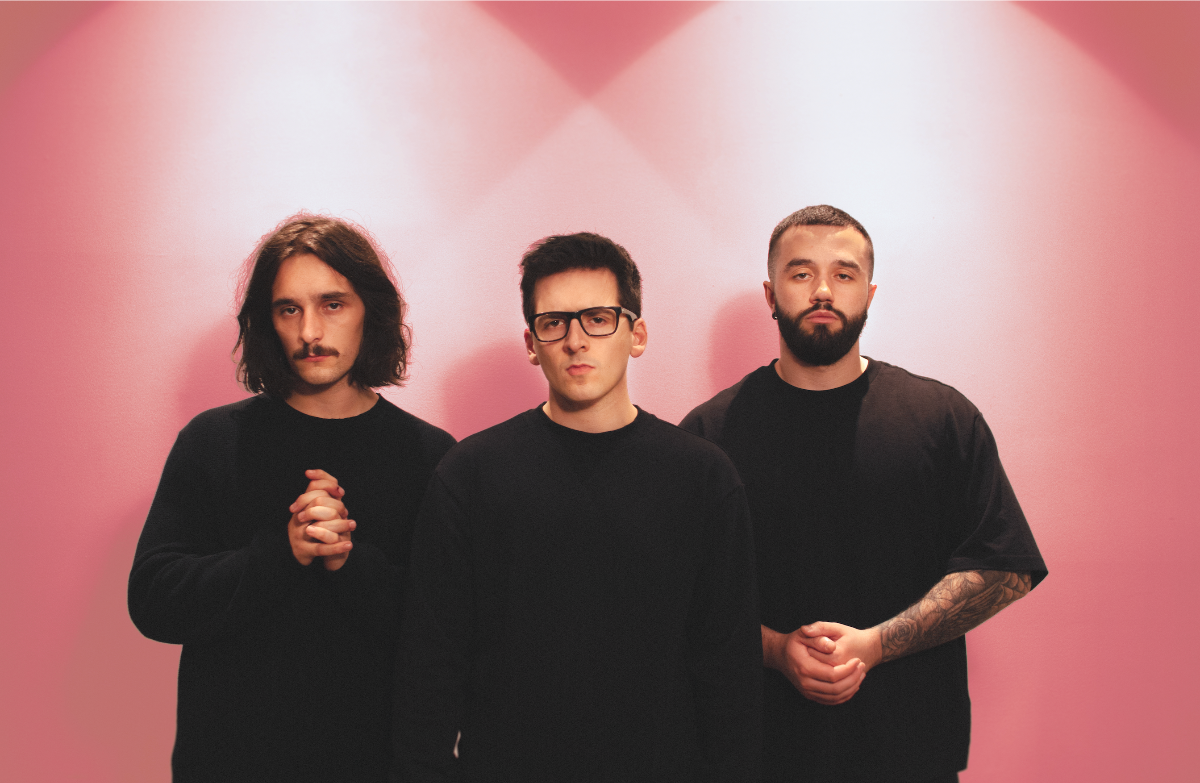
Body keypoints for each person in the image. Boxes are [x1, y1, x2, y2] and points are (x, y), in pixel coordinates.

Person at [680, 205, 1047, 783]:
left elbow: (1004, 568)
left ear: (870, 293)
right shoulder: (708, 435)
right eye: (800, 274)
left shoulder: (942, 418)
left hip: (910, 753)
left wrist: (876, 645)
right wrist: (775, 650)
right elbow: (680, 594)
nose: (823, 290)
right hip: (756, 755)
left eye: (844, 275)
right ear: (770, 293)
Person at [394, 232, 762, 782]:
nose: (575, 340)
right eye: (554, 322)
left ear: (636, 334)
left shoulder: (703, 477)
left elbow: (729, 668)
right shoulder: (470, 475)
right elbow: (431, 665)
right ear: (531, 342)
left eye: (598, 318)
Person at [129, 214, 455, 782]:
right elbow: (153, 600)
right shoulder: (213, 442)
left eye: (333, 304)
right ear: (266, 322)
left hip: (378, 765)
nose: (310, 332)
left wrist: (349, 561)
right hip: (229, 764)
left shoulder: (430, 456)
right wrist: (279, 554)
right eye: (289, 309)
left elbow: (446, 637)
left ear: (369, 312)